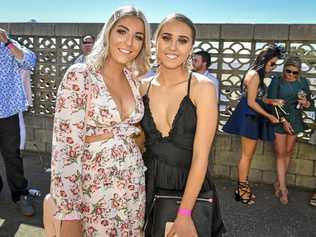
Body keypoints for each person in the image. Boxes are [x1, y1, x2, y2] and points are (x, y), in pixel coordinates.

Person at [50, 6, 151, 236]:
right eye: (122, 31)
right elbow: (65, 148)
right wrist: (69, 213)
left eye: (138, 36)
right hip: (93, 189)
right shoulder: (80, 75)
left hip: (132, 185)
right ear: (108, 33)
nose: (129, 42)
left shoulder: (134, 80)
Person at [140, 13, 225, 237]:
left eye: (183, 40)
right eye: (166, 37)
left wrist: (185, 212)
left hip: (190, 187)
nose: (173, 47)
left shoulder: (202, 88)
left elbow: (201, 156)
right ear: (155, 41)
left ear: (191, 47)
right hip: (148, 183)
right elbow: (136, 142)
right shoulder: (142, 87)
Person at [222, 44, 285, 205]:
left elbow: (258, 97)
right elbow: (251, 102)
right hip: (249, 116)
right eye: (272, 64)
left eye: (275, 64)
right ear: (264, 61)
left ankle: (242, 188)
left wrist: (271, 101)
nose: (273, 67)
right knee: (247, 155)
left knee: (248, 155)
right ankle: (242, 190)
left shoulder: (256, 73)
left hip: (251, 115)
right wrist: (270, 116)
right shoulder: (255, 75)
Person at [0, 28, 36, 216]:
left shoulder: (9, 45)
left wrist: (7, 42)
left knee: (12, 155)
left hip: (7, 111)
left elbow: (30, 61)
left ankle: (20, 194)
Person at [268, 55, 312, 204]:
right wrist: (283, 120)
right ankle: (284, 188)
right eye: (288, 71)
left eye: (295, 72)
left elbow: (310, 104)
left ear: (299, 72)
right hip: (280, 118)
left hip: (295, 119)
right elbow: (272, 102)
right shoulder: (276, 81)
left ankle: (278, 182)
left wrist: (305, 103)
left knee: (288, 152)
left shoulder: (303, 82)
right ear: (284, 68)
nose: (291, 75)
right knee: (280, 153)